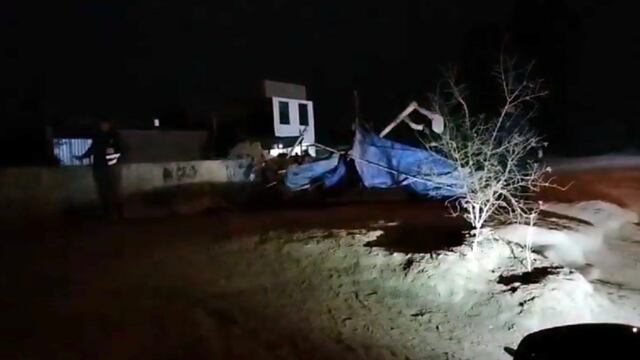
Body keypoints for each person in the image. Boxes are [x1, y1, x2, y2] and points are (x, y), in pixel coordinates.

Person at [76, 119, 123, 218]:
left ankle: (119, 212)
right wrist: (81, 157)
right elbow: (91, 150)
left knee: (113, 190)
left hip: (111, 167)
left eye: (105, 124)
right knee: (102, 190)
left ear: (109, 125)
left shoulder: (114, 136)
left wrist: (115, 155)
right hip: (99, 167)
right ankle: (107, 212)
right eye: (102, 124)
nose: (103, 126)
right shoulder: (98, 137)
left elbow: (123, 149)